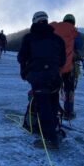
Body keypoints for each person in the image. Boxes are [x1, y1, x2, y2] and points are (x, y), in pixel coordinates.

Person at [17, 11, 66, 149]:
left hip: (37, 76)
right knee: (53, 103)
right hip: (54, 76)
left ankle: (50, 139)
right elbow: (62, 60)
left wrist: (25, 72)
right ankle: (55, 130)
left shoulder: (29, 38)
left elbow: (22, 57)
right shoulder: (57, 39)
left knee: (43, 105)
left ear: (34, 21)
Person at [50, 14, 82, 120]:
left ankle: (52, 110)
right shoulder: (73, 30)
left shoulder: (55, 26)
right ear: (73, 22)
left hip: (54, 65)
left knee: (53, 88)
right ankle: (68, 112)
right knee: (69, 89)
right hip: (69, 66)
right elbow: (79, 45)